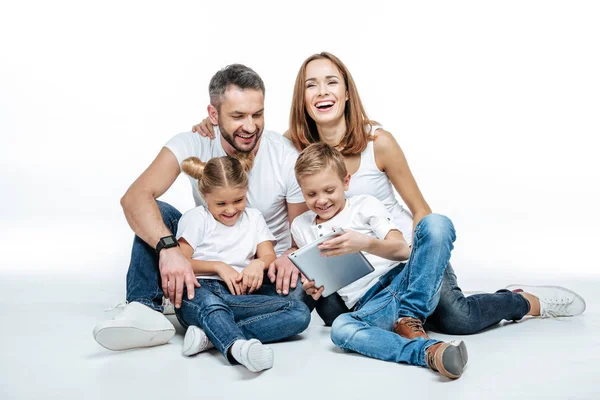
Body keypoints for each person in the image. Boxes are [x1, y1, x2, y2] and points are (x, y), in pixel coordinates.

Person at [192, 52, 586, 332]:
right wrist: (207, 127)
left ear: (347, 93)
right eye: (311, 84)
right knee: (304, 305)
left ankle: (523, 301)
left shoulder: (377, 142)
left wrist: (420, 264)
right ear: (303, 100)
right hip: (349, 278)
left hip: (399, 257)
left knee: (456, 319)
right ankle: (212, 319)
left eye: (332, 81)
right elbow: (243, 132)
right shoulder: (294, 149)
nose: (322, 91)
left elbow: (423, 213)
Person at [93, 64, 311, 352]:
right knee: (156, 211)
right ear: (213, 115)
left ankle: (208, 327)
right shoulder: (195, 141)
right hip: (208, 270)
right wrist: (170, 250)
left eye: (257, 114)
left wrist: (277, 262)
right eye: (237, 116)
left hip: (263, 278)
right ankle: (144, 309)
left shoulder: (285, 157)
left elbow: (300, 234)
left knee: (296, 300)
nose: (250, 126)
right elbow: (134, 198)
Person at [291, 142, 467, 379]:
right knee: (341, 328)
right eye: (311, 194)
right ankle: (429, 352)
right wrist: (314, 287)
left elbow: (402, 250)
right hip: (371, 304)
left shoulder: (364, 204)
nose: (321, 200)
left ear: (346, 182)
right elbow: (322, 277)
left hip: (404, 284)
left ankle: (409, 317)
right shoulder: (300, 226)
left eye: (329, 190)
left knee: (436, 224)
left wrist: (363, 243)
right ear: (301, 191)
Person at [174, 155, 310, 372]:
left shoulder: (254, 218)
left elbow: (268, 256)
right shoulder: (197, 218)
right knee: (212, 305)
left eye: (238, 200)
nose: (230, 210)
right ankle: (237, 348)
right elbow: (180, 262)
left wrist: (258, 265)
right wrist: (218, 266)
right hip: (200, 291)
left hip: (239, 295)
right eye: (221, 203)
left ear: (246, 191)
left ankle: (211, 335)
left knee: (299, 312)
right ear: (204, 195)